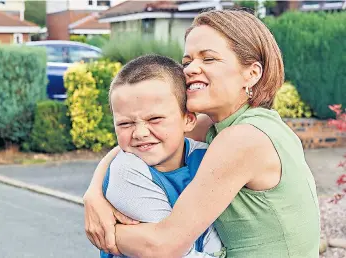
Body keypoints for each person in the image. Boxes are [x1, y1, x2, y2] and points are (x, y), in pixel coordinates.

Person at [84, 9, 320, 258]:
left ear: (252, 73)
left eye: (208, 59)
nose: (190, 69)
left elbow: (163, 246)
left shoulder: (242, 138)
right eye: (187, 62)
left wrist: (106, 230)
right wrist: (94, 193)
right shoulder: (238, 124)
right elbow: (139, 142)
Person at [100, 54, 225, 258]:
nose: (140, 133)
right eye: (125, 123)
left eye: (155, 119)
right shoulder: (126, 172)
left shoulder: (204, 156)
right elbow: (169, 250)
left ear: (188, 120)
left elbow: (214, 234)